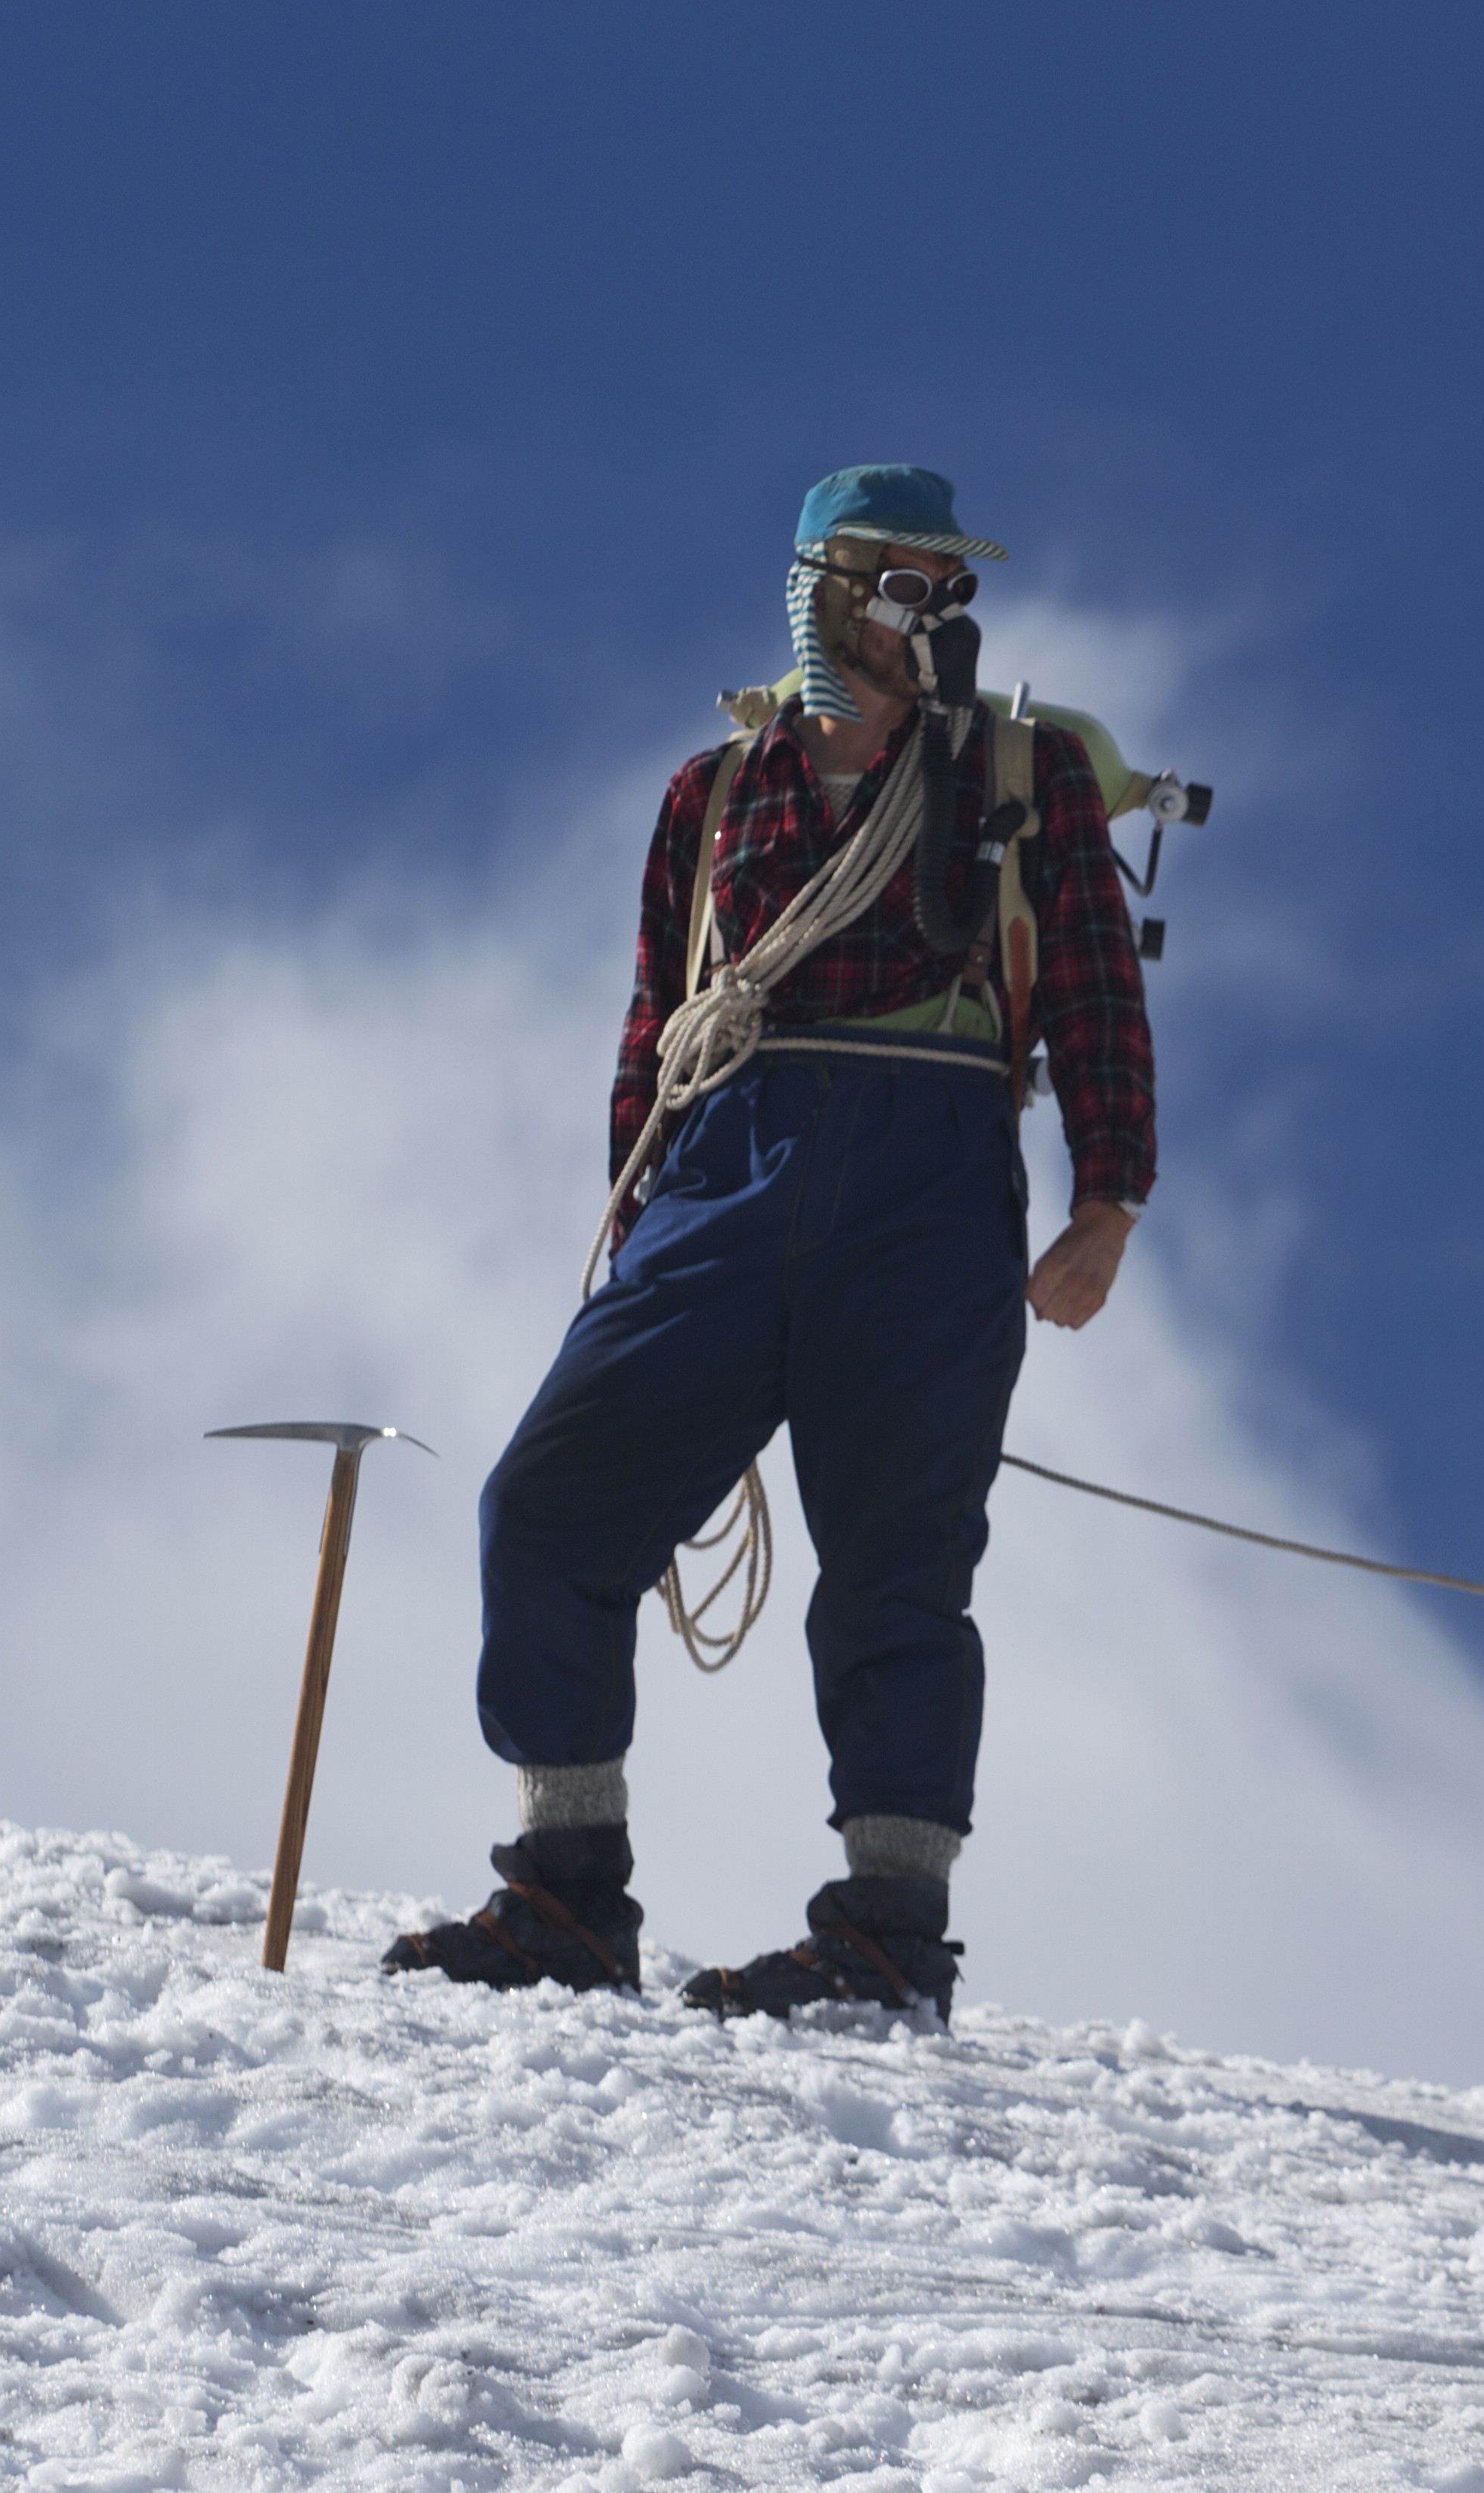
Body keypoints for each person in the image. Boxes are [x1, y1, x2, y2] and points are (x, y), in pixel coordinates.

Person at [385, 463, 1155, 2025]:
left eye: (948, 591)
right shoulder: (716, 790)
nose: (927, 614)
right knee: (549, 1502)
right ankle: (565, 1891)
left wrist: (1106, 1200)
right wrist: (638, 1208)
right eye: (899, 583)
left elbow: (1089, 989)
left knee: (897, 1565)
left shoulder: (1021, 777)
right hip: (727, 1164)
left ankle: (887, 1931)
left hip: (931, 1177)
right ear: (821, 585)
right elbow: (660, 1012)